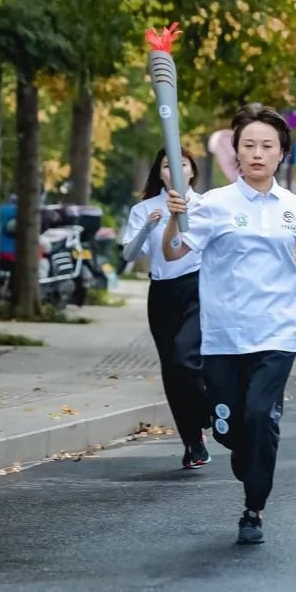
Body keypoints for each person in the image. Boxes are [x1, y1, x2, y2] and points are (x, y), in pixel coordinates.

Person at [162, 103, 296, 544]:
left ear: (282, 155)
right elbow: (177, 251)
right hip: (224, 334)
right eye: (249, 145)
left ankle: (253, 507)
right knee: (231, 428)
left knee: (261, 416)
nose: (257, 153)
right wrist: (172, 219)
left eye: (267, 146)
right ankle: (240, 448)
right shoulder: (215, 205)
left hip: (277, 331)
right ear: (236, 153)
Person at [121, 148, 211, 469]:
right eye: (167, 166)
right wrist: (147, 226)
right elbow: (130, 255)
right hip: (162, 293)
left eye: (181, 164)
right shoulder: (144, 209)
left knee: (186, 357)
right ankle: (193, 442)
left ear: (192, 172)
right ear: (160, 174)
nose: (174, 170)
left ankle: (207, 411)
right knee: (172, 371)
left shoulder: (207, 206)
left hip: (199, 288)